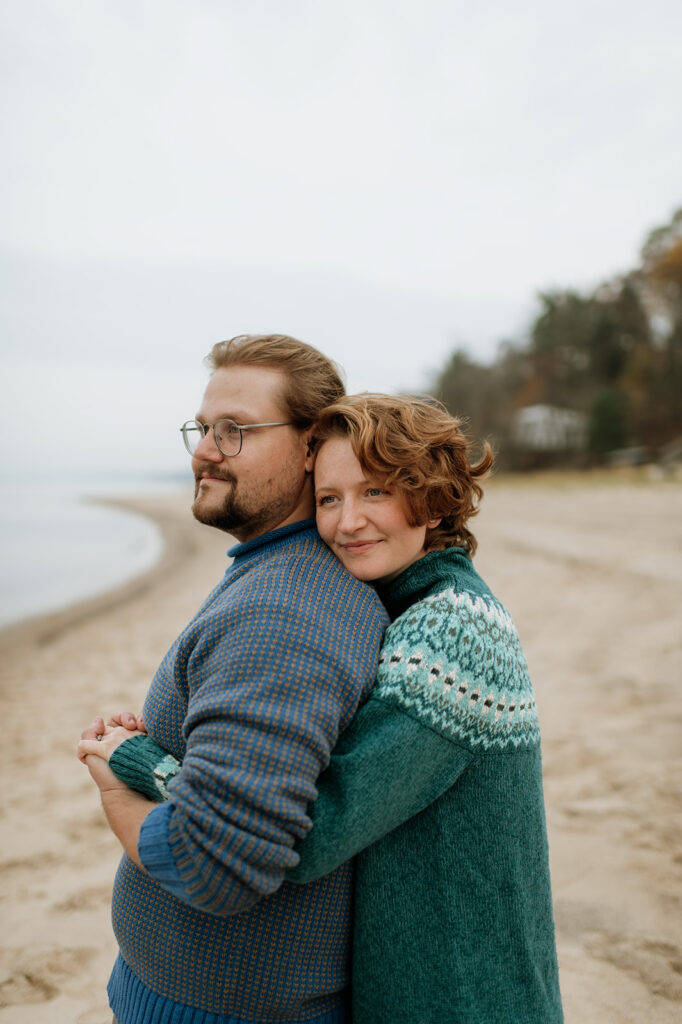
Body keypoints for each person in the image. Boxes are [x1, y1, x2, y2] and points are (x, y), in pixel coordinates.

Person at [82, 393, 564, 1023]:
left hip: (460, 991)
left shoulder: (454, 631)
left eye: (376, 493)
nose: (347, 522)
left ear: (433, 497)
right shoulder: (411, 604)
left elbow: (310, 834)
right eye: (330, 499)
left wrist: (141, 764)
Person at [77, 336, 389, 1024]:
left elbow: (214, 865)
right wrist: (156, 758)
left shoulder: (281, 617)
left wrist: (113, 791)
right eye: (204, 427)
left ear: (314, 447)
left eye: (235, 431)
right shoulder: (273, 577)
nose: (206, 450)